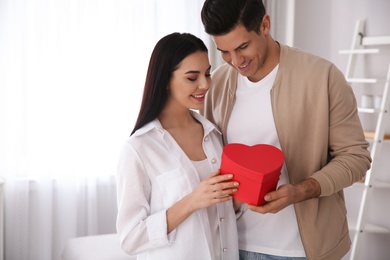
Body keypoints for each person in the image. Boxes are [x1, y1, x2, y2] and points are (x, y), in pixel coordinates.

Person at [200, 1, 372, 260]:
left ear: (265, 25)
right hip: (231, 246)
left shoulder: (322, 76)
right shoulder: (218, 85)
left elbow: (356, 157)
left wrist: (301, 190)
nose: (235, 61)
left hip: (304, 250)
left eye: (242, 47)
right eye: (224, 51)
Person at [116, 32, 240, 260]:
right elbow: (130, 238)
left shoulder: (214, 135)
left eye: (208, 73)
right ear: (165, 80)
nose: (205, 84)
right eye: (192, 77)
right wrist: (193, 201)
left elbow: (224, 213)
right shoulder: (139, 148)